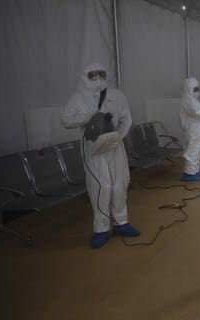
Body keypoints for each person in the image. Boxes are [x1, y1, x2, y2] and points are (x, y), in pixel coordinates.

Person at [62, 62, 140, 249]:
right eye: (92, 75)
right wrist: (88, 117)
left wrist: (117, 136)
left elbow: (126, 118)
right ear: (84, 76)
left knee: (119, 183)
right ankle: (101, 229)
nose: (97, 78)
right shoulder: (78, 98)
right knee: (101, 186)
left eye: (101, 73)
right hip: (93, 148)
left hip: (114, 146)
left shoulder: (117, 96)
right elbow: (65, 120)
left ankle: (121, 222)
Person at [180, 77, 200, 181]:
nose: (197, 91)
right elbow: (199, 113)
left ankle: (195, 170)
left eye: (198, 88)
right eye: (195, 88)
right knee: (192, 151)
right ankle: (189, 173)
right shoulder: (187, 99)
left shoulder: (193, 100)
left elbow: (199, 112)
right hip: (193, 131)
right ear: (189, 88)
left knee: (197, 151)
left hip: (197, 131)